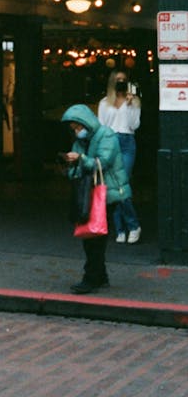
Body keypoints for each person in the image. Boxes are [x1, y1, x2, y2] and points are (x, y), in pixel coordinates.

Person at [60, 103, 132, 294]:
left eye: (78, 127)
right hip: (90, 192)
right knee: (93, 235)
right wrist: (70, 166)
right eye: (74, 129)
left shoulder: (106, 135)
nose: (77, 132)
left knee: (95, 236)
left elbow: (103, 162)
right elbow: (79, 169)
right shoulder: (80, 142)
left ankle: (91, 277)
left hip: (107, 192)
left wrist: (80, 160)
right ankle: (99, 275)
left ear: (86, 123)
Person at [98, 69, 142, 244]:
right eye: (118, 80)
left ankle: (132, 225)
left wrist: (130, 105)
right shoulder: (104, 103)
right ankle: (121, 229)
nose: (121, 83)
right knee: (113, 186)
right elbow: (102, 126)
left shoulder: (134, 101)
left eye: (124, 80)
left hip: (127, 142)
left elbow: (134, 125)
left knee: (122, 184)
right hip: (111, 141)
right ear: (112, 82)